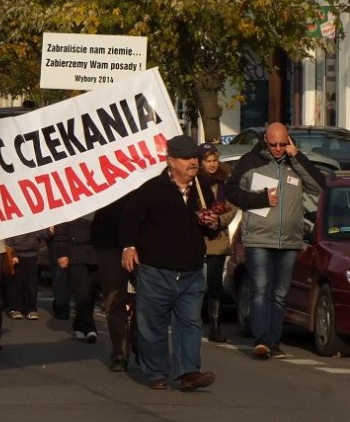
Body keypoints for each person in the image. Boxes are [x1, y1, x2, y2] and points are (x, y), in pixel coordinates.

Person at [120, 134, 218, 391]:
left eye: (195, 157)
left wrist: (213, 224)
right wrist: (129, 247)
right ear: (171, 161)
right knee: (152, 324)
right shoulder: (152, 190)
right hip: (156, 271)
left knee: (190, 323)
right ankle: (156, 372)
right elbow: (130, 220)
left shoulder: (202, 189)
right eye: (187, 158)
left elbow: (210, 226)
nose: (193, 163)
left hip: (191, 272)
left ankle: (188, 372)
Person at [226, 122, 325, 359]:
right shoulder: (251, 161)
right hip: (259, 237)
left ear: (289, 140)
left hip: (289, 239)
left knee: (280, 293)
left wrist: (297, 156)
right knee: (260, 290)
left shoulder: (295, 161)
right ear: (265, 140)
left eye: (283, 144)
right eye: (273, 144)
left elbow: (319, 186)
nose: (278, 148)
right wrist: (259, 199)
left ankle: (274, 341)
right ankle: (261, 341)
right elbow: (230, 191)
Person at [197, 143, 239, 343]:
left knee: (215, 285)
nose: (212, 164)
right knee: (194, 283)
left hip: (218, 237)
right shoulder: (194, 181)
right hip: (197, 237)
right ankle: (192, 321)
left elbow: (232, 206)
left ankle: (215, 325)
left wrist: (219, 220)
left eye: (215, 160)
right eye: (208, 161)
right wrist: (202, 217)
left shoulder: (224, 182)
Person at [88, 196, 132, 371]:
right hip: (109, 240)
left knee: (147, 298)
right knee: (114, 298)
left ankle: (138, 339)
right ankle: (119, 352)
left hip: (144, 240)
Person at [53, 215, 100, 340]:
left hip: (97, 251)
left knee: (91, 292)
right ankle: (90, 328)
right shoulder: (70, 204)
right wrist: (62, 252)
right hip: (75, 251)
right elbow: (61, 225)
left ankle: (79, 325)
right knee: (82, 291)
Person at [5, 229, 51, 320]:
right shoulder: (15, 220)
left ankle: (31, 309)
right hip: (17, 254)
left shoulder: (35, 221)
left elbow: (45, 234)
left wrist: (50, 231)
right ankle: (15, 308)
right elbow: (8, 236)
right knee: (16, 283)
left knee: (31, 283)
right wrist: (12, 254)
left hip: (32, 255)